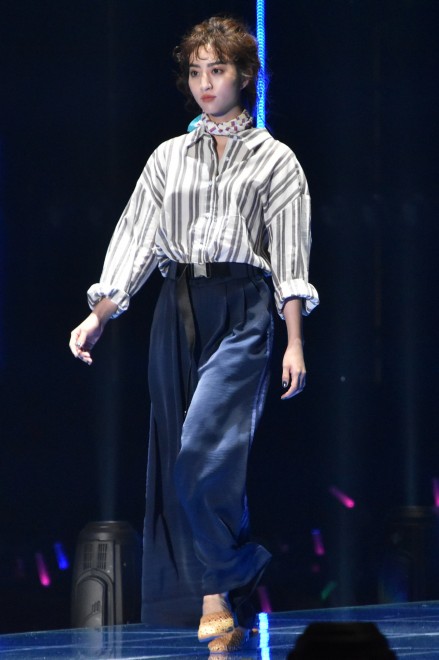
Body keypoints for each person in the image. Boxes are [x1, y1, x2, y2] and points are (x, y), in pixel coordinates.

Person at [69, 15, 319, 653]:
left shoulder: (276, 160)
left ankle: (227, 577)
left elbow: (291, 257)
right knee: (180, 459)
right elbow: (138, 241)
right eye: (196, 71)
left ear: (245, 76)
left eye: (219, 70)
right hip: (176, 308)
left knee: (203, 453)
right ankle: (217, 593)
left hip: (244, 310)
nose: (206, 83)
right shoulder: (167, 157)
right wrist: (99, 315)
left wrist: (294, 341)